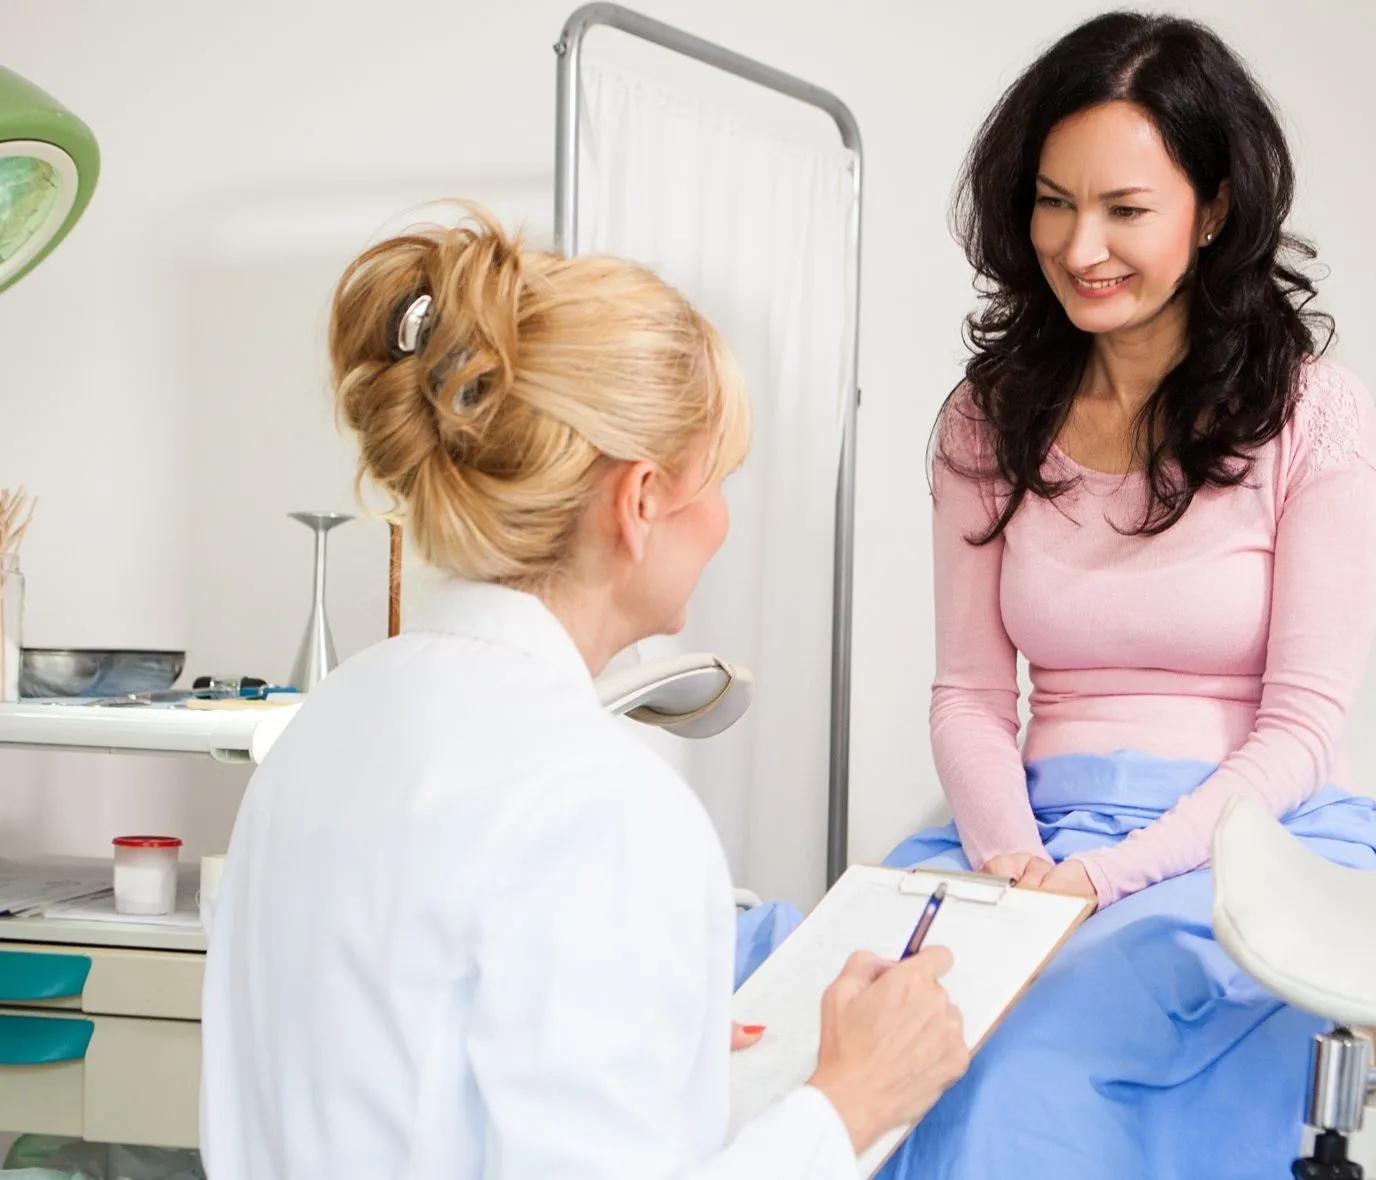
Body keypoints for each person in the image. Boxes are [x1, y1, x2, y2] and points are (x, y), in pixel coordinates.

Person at [199, 208, 969, 1179]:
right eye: (720, 478)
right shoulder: (601, 807)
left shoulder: (327, 725)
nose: (726, 519)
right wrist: (851, 1105)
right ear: (639, 501)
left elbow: (402, 1079)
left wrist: (671, 1062)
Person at [880, 13, 1376, 1178]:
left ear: (1212, 208)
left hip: (1240, 847)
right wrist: (1016, 866)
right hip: (1030, 838)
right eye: (1053, 201)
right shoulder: (989, 416)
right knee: (883, 1033)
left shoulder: (1316, 418)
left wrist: (1096, 884)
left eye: (1126, 209)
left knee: (1027, 1068)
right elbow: (970, 693)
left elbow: (1302, 731)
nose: (1082, 247)